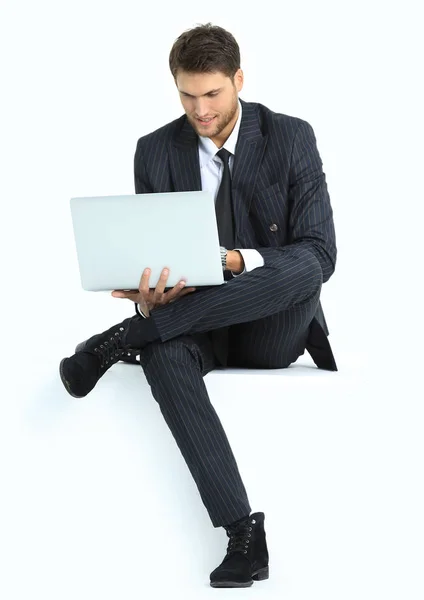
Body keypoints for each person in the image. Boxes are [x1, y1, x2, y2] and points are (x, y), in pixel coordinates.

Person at [59, 23, 337, 588]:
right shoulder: (155, 150)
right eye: (187, 94)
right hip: (198, 322)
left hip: (270, 321)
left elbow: (321, 253)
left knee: (304, 268)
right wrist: (149, 296)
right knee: (165, 354)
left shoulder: (291, 136)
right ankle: (243, 534)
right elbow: (152, 249)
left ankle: (122, 341)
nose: (199, 108)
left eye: (212, 94)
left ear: (238, 80)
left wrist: (235, 262)